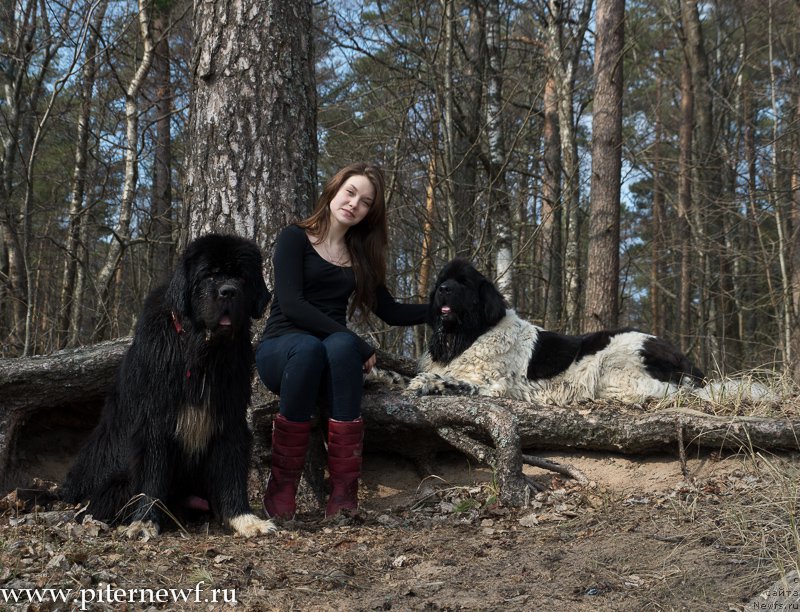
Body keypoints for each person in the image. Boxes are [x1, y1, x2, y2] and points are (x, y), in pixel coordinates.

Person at [256, 162, 428, 519]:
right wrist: (358, 343)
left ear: (369, 213)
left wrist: (441, 309)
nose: (354, 203)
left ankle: (343, 494)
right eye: (350, 192)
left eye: (365, 202)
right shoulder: (294, 238)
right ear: (334, 191)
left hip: (332, 360)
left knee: (335, 347)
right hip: (283, 351)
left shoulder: (360, 257)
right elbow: (292, 304)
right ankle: (282, 488)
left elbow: (392, 312)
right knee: (311, 347)